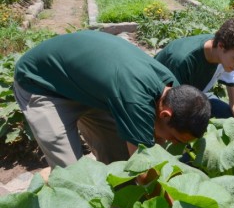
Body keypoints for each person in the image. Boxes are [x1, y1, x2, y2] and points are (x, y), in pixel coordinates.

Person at [13, 30, 211, 169]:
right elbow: (142, 170)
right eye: (175, 138)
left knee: (119, 158)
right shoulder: (136, 101)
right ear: (165, 114)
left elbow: (149, 152)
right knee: (71, 174)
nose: (173, 143)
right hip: (42, 83)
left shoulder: (173, 89)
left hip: (89, 85)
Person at [154, 18, 234, 119]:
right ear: (221, 46)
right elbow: (168, 106)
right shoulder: (183, 60)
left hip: (193, 96)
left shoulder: (227, 55)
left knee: (231, 116)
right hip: (161, 101)